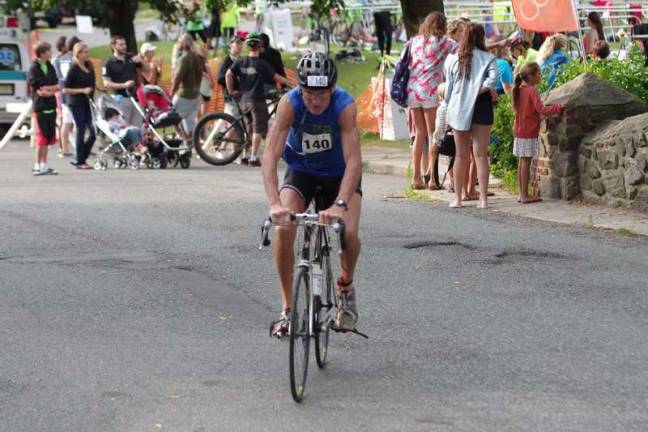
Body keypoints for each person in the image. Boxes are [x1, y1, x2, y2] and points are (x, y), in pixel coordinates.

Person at [261, 52, 362, 336]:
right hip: (302, 170)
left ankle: (345, 287)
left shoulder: (344, 107)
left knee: (349, 232)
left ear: (332, 89)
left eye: (321, 94)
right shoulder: (289, 104)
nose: (315, 101)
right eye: (308, 94)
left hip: (339, 173)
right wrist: (274, 203)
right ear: (300, 89)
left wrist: (340, 204)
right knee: (283, 228)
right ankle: (287, 309)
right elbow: (269, 156)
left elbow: (354, 161)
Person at [444, 23, 498, 209]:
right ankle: (483, 199)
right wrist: (479, 89)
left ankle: (458, 198)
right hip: (481, 105)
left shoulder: (452, 59)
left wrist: (448, 107)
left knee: (461, 155)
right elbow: (493, 79)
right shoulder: (489, 58)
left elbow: (449, 90)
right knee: (481, 154)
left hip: (458, 106)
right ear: (482, 37)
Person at [405, 12, 457, 190]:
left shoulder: (414, 41)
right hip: (430, 91)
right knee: (432, 133)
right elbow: (464, 50)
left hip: (412, 91)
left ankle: (416, 177)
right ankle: (431, 176)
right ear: (442, 26)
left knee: (418, 134)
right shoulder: (445, 42)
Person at [226, 33, 292, 167]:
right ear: (259, 46)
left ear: (248, 46)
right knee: (257, 129)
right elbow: (277, 78)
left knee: (249, 128)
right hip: (257, 100)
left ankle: (245, 156)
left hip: (244, 100)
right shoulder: (262, 64)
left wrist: (231, 90)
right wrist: (291, 84)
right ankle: (253, 157)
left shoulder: (241, 61)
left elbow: (228, 74)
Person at [512, 62, 562, 204]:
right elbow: (542, 109)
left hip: (520, 131)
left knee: (522, 162)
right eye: (539, 73)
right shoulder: (532, 91)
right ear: (532, 76)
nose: (541, 76)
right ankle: (524, 195)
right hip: (528, 132)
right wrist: (558, 107)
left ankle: (521, 193)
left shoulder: (519, 90)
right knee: (526, 163)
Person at [63, 42, 96, 170]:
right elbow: (65, 89)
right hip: (76, 103)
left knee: (93, 132)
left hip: (87, 102)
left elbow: (92, 85)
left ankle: (80, 157)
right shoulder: (74, 69)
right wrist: (82, 90)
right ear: (78, 54)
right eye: (85, 52)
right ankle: (80, 160)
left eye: (88, 52)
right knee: (81, 130)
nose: (87, 55)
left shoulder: (89, 66)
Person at [29, 41, 59, 176]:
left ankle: (44, 165)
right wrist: (48, 90)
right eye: (49, 50)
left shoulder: (50, 66)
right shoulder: (34, 68)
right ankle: (37, 164)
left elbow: (56, 85)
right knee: (40, 138)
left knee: (48, 138)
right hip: (40, 107)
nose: (51, 52)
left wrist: (49, 91)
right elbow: (37, 86)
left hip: (51, 106)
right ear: (42, 53)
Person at [103, 35, 146, 127]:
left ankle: (137, 142)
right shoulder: (109, 63)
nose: (124, 46)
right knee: (125, 128)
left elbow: (147, 70)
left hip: (137, 98)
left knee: (137, 128)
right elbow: (106, 83)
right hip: (121, 99)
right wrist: (124, 85)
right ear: (114, 46)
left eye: (125, 44)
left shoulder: (131, 56)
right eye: (121, 44)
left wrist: (141, 61)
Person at [170, 34, 203, 142]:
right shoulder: (197, 57)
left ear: (183, 44)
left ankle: (185, 140)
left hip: (184, 94)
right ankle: (192, 144)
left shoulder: (183, 58)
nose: (177, 43)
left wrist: (171, 93)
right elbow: (200, 75)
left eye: (179, 40)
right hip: (196, 94)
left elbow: (178, 78)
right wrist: (197, 89)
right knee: (189, 122)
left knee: (171, 119)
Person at [53, 35, 80, 159]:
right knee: (77, 123)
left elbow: (58, 77)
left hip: (64, 93)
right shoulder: (75, 60)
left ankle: (65, 148)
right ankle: (79, 147)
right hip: (75, 93)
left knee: (66, 122)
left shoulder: (59, 59)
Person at [217, 35, 244, 120]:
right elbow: (220, 79)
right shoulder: (226, 61)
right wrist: (233, 85)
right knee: (231, 125)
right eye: (237, 43)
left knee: (242, 125)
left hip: (243, 97)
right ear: (230, 45)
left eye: (241, 43)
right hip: (231, 99)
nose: (240, 45)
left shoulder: (242, 60)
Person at [198, 44, 217, 119]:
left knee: (200, 112)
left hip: (201, 90)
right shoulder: (206, 65)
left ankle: (200, 126)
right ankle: (201, 127)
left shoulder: (198, 66)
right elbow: (210, 77)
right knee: (204, 113)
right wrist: (212, 82)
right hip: (206, 91)